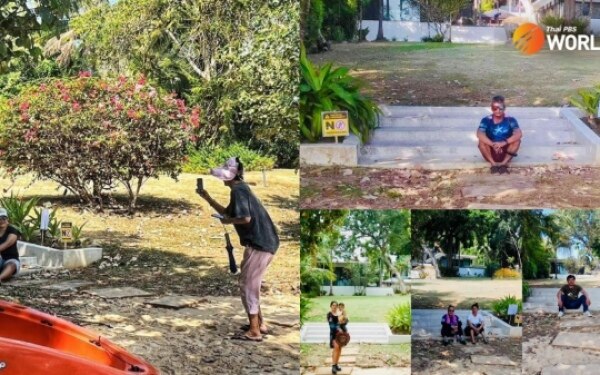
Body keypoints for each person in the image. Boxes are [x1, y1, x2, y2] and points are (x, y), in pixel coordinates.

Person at [197, 157, 280, 342]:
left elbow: (245, 218)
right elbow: (229, 213)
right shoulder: (240, 189)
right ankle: (259, 323)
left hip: (260, 244)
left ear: (229, 177)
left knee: (248, 286)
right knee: (248, 283)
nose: (223, 179)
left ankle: (255, 331)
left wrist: (228, 221)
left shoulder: (239, 190)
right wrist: (207, 197)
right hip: (265, 242)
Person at [477, 95, 523, 174]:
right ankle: (493, 165)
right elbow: (479, 133)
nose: (498, 110)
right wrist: (493, 144)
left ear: (504, 108)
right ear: (491, 108)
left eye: (500, 108)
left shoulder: (510, 119)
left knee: (517, 140)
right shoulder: (486, 120)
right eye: (495, 108)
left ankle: (503, 164)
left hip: (506, 151)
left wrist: (503, 143)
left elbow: (519, 134)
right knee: (481, 141)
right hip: (490, 151)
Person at [0, 208, 21, 284]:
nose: (2, 220)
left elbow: (8, 243)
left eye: (4, 218)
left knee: (12, 265)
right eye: (0, 218)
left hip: (10, 259)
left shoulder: (12, 230)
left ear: (7, 219)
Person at [327, 301, 343, 374]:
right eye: (333, 305)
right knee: (336, 349)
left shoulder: (339, 314)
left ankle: (336, 364)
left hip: (340, 335)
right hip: (333, 335)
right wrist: (338, 327)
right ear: (330, 306)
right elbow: (331, 326)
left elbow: (343, 322)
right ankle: (333, 366)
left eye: (336, 305)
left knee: (339, 349)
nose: (335, 307)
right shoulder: (329, 314)